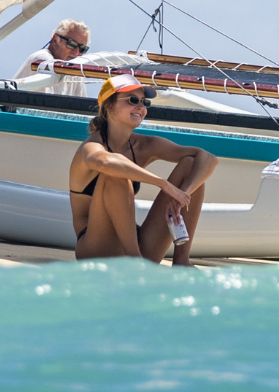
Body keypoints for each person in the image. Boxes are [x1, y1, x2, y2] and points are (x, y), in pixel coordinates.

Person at [69, 73, 219, 265]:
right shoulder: (91, 146)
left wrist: (183, 195)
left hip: (138, 244)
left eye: (144, 102)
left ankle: (181, 261)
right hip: (95, 248)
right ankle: (137, 265)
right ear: (109, 106)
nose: (140, 107)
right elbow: (105, 163)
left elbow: (207, 158)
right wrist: (163, 184)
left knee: (191, 165)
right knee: (115, 174)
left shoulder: (144, 145)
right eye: (132, 100)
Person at [19, 19, 92, 95]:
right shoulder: (42, 60)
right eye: (72, 44)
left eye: (82, 48)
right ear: (55, 40)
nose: (76, 52)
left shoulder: (75, 74)